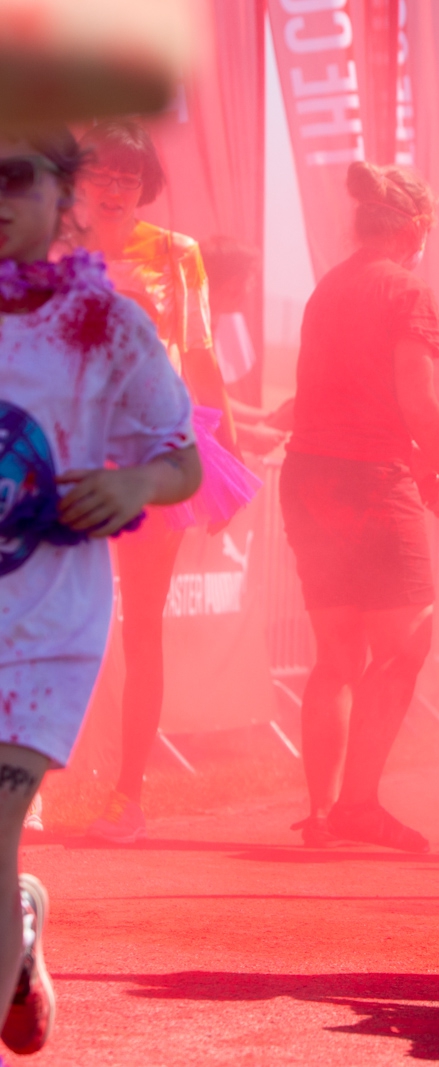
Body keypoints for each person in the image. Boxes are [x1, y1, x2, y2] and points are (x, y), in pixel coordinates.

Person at [0, 126, 201, 1054]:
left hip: (44, 622)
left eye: (15, 179)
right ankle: (19, 935)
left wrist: (130, 486)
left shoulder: (107, 323)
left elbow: (183, 459)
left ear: (60, 197)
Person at [280, 162, 439, 852]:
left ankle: (323, 811)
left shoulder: (327, 287)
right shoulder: (408, 289)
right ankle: (357, 805)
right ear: (418, 226)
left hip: (309, 476)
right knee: (405, 646)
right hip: (369, 481)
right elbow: (416, 398)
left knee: (336, 655)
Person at [72, 119, 254, 845]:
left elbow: (201, 354)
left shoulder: (176, 255)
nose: (116, 188)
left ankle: (127, 796)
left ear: (145, 188)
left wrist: (230, 448)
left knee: (140, 626)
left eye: (129, 178)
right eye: (103, 175)